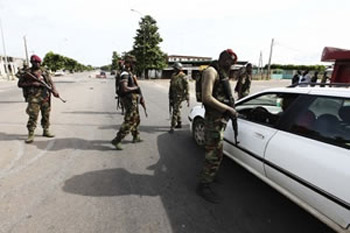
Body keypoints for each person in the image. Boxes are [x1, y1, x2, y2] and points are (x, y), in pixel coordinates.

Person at [196, 49, 238, 203]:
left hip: (219, 119)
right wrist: (227, 109)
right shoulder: (211, 72)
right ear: (222, 58)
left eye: (232, 63)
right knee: (214, 153)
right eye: (229, 61)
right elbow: (207, 98)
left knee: (215, 152)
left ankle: (210, 174)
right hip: (213, 119)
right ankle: (203, 185)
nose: (231, 65)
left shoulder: (222, 73)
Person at [17, 55, 60, 143]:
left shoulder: (44, 71)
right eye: (35, 62)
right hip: (33, 98)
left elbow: (50, 82)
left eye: (38, 62)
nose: (37, 64)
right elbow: (20, 84)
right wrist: (32, 83)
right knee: (33, 116)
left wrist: (54, 90)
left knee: (46, 115)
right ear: (31, 63)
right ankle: (31, 133)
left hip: (45, 97)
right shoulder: (27, 72)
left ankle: (46, 130)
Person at [111, 55, 144, 150]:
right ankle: (117, 140)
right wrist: (136, 88)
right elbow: (124, 88)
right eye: (133, 63)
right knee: (129, 121)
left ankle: (136, 136)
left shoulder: (129, 72)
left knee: (136, 119)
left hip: (132, 99)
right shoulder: (124, 73)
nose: (134, 65)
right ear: (128, 63)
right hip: (128, 99)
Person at [168, 62, 189, 133]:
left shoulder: (183, 76)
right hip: (173, 95)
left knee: (175, 110)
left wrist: (187, 96)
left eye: (175, 68)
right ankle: (179, 123)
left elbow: (187, 87)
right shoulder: (173, 75)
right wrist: (170, 95)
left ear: (179, 69)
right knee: (176, 109)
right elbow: (171, 85)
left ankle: (172, 126)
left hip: (180, 96)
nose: (174, 69)